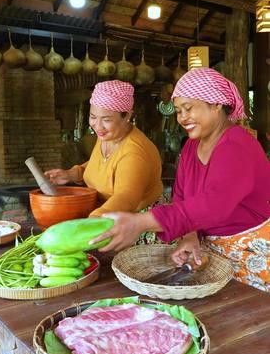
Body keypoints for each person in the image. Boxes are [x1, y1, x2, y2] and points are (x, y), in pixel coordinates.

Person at [90, 68, 270, 292]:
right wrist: (190, 235)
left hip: (252, 256)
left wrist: (141, 222)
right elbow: (182, 195)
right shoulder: (191, 146)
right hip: (210, 256)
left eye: (188, 108)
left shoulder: (237, 145)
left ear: (216, 105)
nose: (182, 117)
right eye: (177, 111)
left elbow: (213, 205)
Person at [45, 80, 163, 243]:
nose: (97, 126)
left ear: (127, 115)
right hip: (107, 216)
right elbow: (101, 165)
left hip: (136, 227)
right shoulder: (107, 136)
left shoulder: (134, 153)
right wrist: (73, 173)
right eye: (93, 117)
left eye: (106, 119)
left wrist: (95, 219)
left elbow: (127, 197)